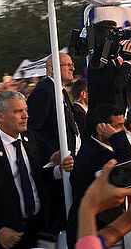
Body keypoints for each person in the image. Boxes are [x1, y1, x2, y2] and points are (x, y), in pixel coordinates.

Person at [0, 91, 72, 249]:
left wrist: (59, 170)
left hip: (38, 227)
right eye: (18, 111)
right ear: (0, 117)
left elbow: (36, 176)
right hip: (9, 235)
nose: (26, 116)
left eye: (26, 110)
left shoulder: (29, 138)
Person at [26, 53, 80, 237]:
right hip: (55, 168)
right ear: (51, 69)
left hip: (67, 163)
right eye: (68, 65)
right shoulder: (45, 90)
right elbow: (32, 129)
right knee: (58, 223)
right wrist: (51, 154)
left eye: (72, 64)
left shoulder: (60, 90)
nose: (73, 68)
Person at [66, 104, 131, 249]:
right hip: (95, 230)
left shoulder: (101, 149)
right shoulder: (94, 154)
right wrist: (117, 138)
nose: (124, 131)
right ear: (101, 129)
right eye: (119, 126)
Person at [86, 20, 131, 113]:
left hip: (120, 118)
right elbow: (116, 85)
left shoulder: (114, 60)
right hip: (105, 120)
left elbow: (129, 87)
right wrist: (127, 61)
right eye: (117, 41)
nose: (120, 44)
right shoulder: (98, 62)